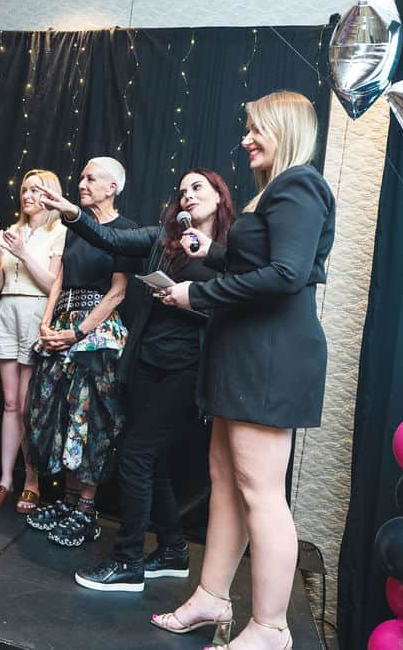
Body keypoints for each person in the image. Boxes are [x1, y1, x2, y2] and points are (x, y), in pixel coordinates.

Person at [151, 91, 335, 650]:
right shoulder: (272, 192)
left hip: (270, 357)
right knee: (227, 483)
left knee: (260, 492)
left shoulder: (300, 185)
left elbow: (286, 274)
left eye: (256, 129)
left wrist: (197, 294)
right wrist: (210, 252)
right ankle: (211, 596)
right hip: (245, 354)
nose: (246, 139)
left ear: (286, 129)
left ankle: (271, 628)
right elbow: (256, 262)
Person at [40, 168, 236, 591]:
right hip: (147, 362)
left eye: (197, 188)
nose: (187, 195)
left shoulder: (230, 252)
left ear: (220, 197)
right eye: (182, 191)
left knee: (135, 455)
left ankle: (128, 560)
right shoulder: (162, 241)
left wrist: (191, 299)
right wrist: (72, 212)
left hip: (188, 368)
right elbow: (109, 238)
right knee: (152, 459)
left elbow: (237, 304)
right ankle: (173, 549)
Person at [24, 157, 141, 548]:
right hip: (63, 324)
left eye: (91, 178)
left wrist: (78, 332)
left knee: (88, 419)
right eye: (81, 177)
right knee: (57, 415)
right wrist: (47, 323)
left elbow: (118, 292)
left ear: (112, 187)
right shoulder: (75, 227)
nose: (82, 183)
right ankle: (69, 500)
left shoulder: (126, 230)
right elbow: (59, 279)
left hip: (97, 334)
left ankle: (86, 510)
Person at [0, 169, 66, 513]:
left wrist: (24, 253)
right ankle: (5, 479)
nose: (27, 195)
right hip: (6, 310)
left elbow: (52, 285)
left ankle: (32, 481)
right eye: (24, 189)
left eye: (35, 190)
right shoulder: (12, 231)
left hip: (36, 311)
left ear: (50, 194)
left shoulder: (59, 231)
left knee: (30, 406)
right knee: (10, 402)